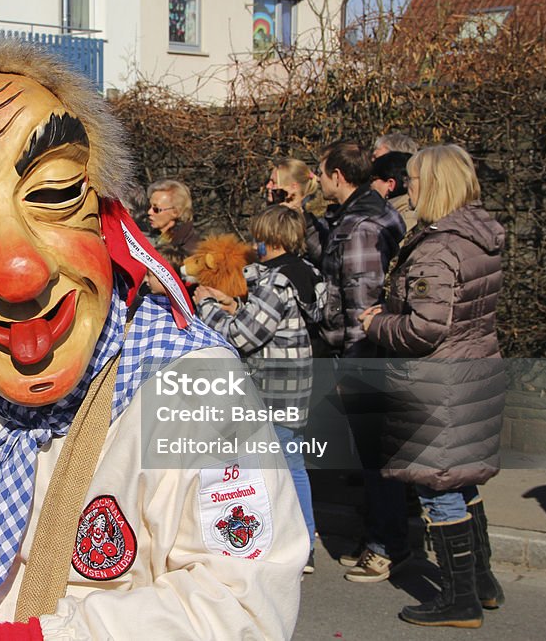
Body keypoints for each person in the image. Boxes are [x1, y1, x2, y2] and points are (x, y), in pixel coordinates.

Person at [0, 37, 306, 640]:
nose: (16, 271)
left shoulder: (195, 384)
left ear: (106, 217)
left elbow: (246, 597)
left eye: (51, 197)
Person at [359, 144, 505, 628]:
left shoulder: (438, 250)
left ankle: (457, 599)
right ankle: (481, 584)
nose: (408, 188)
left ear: (435, 185)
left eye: (416, 180)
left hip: (437, 382)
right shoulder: (477, 236)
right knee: (460, 479)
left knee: (435, 487)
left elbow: (425, 328)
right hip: (472, 371)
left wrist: (377, 322)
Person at [194, 205, 326, 576]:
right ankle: (299, 539)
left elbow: (242, 336)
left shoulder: (275, 282)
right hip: (298, 386)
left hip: (274, 390)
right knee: (290, 464)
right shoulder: (310, 275)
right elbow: (281, 324)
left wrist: (207, 304)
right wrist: (236, 305)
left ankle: (297, 544)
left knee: (278, 467)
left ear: (267, 239)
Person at [316, 140, 409, 583]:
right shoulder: (359, 215)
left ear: (338, 175)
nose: (317, 181)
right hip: (367, 352)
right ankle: (379, 536)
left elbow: (363, 301)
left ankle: (385, 545)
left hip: (365, 355)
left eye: (321, 173)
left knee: (376, 457)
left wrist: (355, 366)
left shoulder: (360, 227)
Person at [265, 157, 328, 264]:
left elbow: (321, 255)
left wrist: (302, 221)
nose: (268, 186)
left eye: (273, 182)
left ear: (293, 187)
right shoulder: (267, 217)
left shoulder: (316, 221)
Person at [146, 178, 201, 268]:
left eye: (156, 209)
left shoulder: (191, 251)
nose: (149, 212)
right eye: (149, 206)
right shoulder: (150, 239)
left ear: (175, 212)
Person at [369, 151, 418, 233]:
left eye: (372, 179)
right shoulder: (401, 215)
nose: (370, 185)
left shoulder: (400, 222)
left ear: (390, 184)